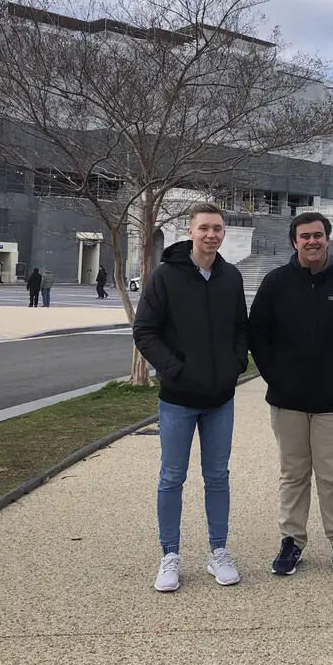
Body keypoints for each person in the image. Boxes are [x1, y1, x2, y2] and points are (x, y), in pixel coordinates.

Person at [249, 212, 333, 577]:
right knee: (293, 473)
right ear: (294, 241)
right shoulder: (275, 282)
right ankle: (292, 539)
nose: (312, 242)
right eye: (305, 236)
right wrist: (275, 377)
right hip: (288, 399)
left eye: (318, 235)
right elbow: (258, 334)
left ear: (328, 238)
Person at [133, 201, 248, 593]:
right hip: (179, 398)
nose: (211, 234)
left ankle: (218, 550)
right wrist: (174, 368)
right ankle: (170, 555)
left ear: (223, 232)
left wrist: (235, 365)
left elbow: (240, 329)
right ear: (190, 231)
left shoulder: (231, 277)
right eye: (204, 228)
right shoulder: (166, 277)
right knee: (172, 477)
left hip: (219, 398)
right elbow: (145, 330)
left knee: (217, 476)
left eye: (217, 228)